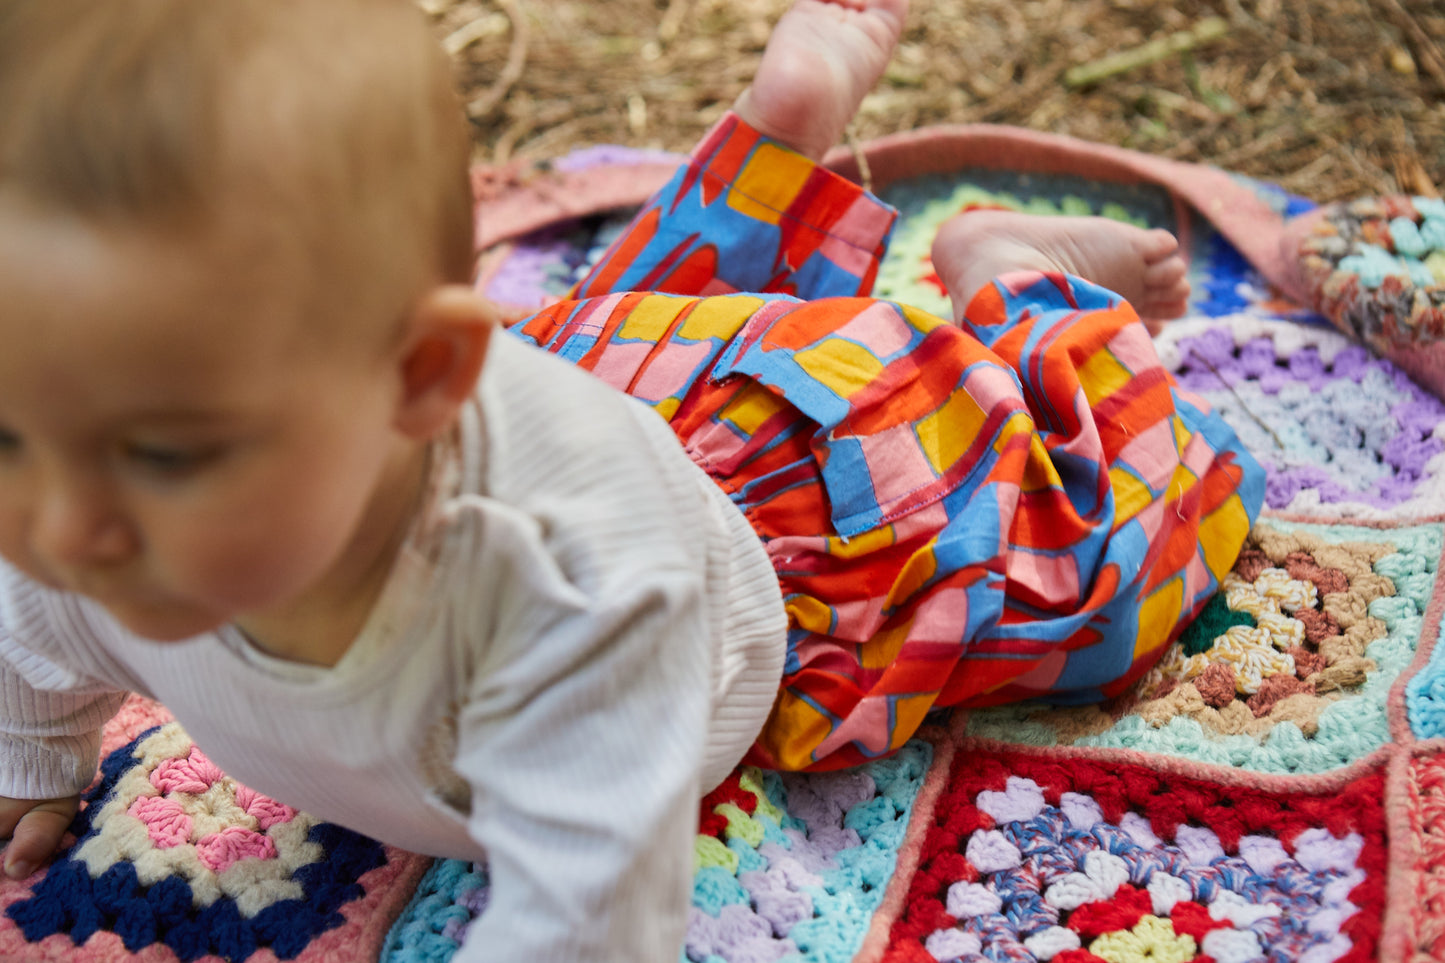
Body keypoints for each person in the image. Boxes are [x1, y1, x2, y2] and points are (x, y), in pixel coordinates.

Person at [0, 0, 1262, 960]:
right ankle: (774, 153)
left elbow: (584, 916)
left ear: (421, 378)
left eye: (167, 456)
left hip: (804, 514)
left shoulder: (576, 599)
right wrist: (30, 758)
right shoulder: (96, 487)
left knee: (1091, 559)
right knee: (627, 322)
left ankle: (1014, 281)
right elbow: (33, 632)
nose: (62, 527)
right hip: (610, 378)